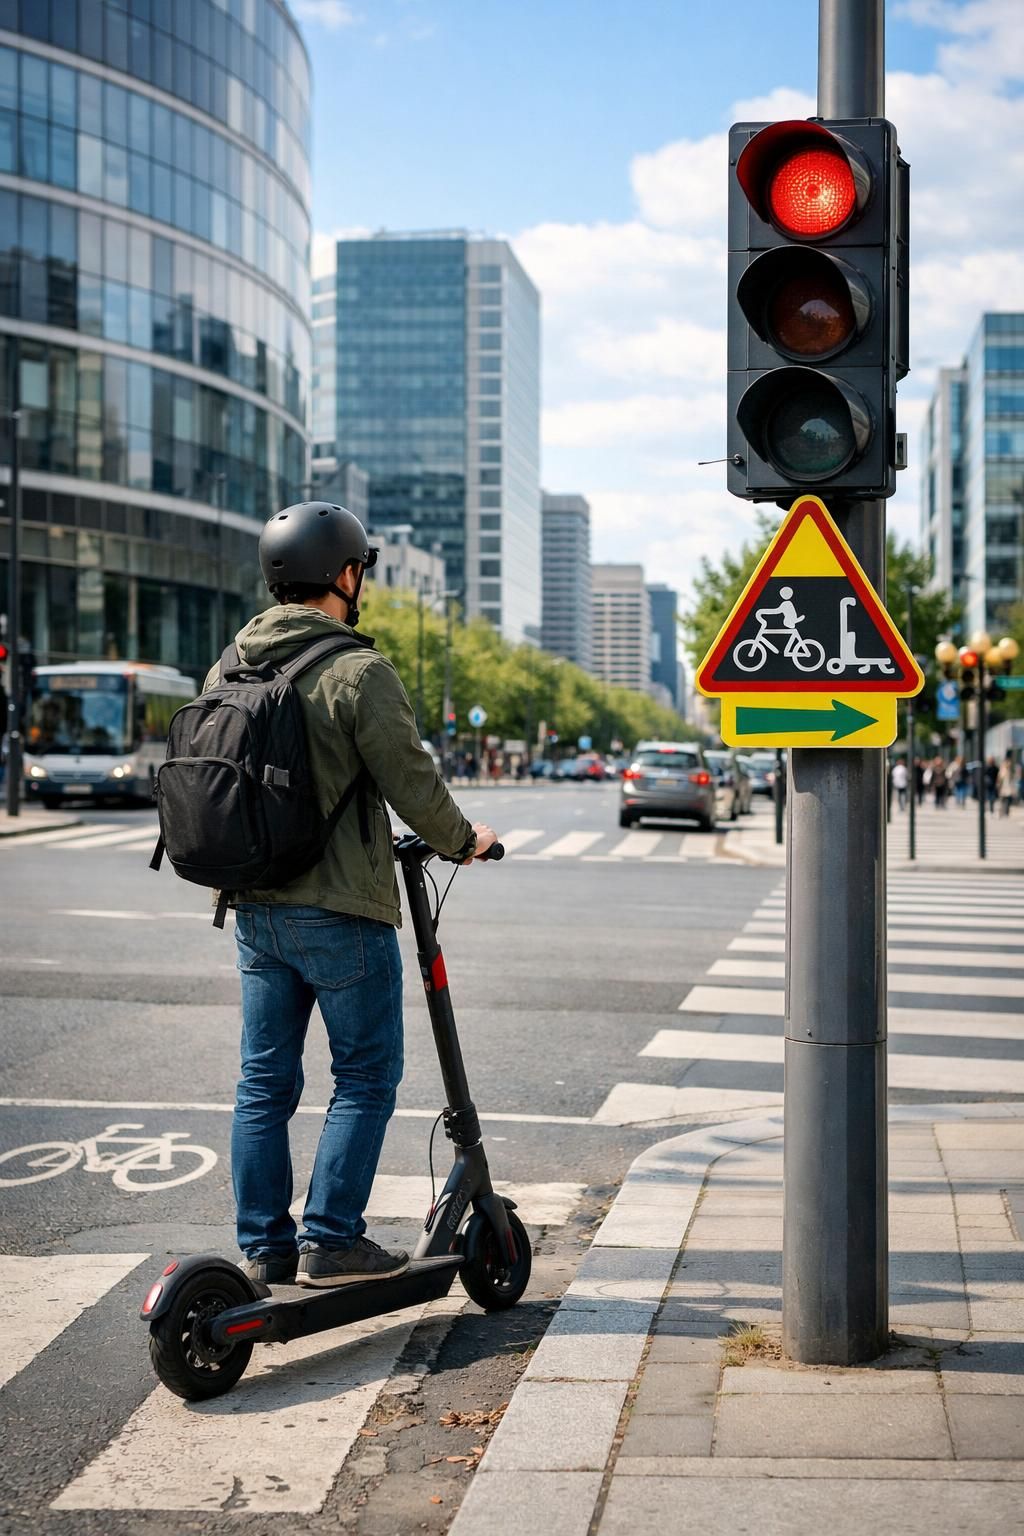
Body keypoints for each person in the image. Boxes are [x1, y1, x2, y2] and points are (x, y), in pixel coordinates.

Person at [211, 501, 497, 1289]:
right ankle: (331, 1238)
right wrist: (466, 839)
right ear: (343, 575)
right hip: (340, 910)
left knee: (264, 1080)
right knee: (365, 1075)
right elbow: (412, 781)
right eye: (359, 569)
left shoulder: (229, 664)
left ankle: (263, 1246)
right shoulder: (358, 671)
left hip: (254, 907)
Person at [998, 752, 1016, 817]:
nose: (1009, 764)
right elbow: (1000, 777)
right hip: (1004, 786)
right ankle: (1002, 812)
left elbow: (1012, 779)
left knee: (1008, 800)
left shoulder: (1010, 770)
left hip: (1008, 787)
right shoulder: (1003, 769)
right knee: (1003, 800)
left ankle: (1006, 812)